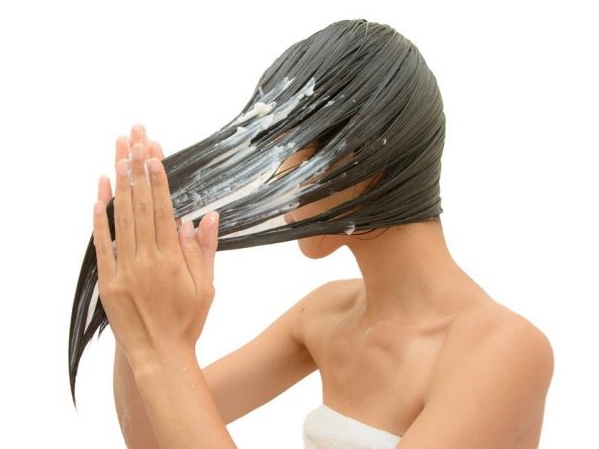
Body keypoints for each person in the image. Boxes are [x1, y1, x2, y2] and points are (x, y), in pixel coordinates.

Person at [95, 124, 553, 449]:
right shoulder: (327, 313)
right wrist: (138, 310)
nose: (279, 178)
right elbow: (154, 435)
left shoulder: (505, 350)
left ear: (365, 156)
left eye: (292, 149)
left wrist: (167, 349)